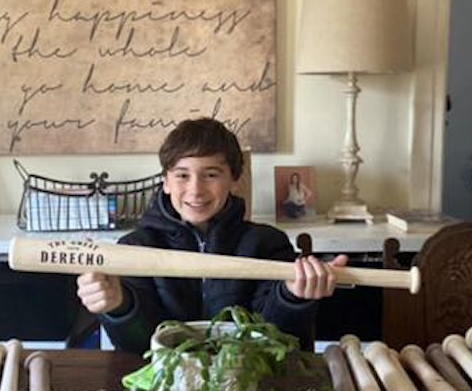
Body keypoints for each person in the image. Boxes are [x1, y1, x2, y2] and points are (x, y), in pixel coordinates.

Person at [76, 118, 347, 352]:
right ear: (166, 182)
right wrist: (118, 307)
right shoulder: (135, 249)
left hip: (245, 383)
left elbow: (278, 338)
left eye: (211, 174)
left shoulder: (267, 244)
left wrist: (293, 297)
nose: (196, 190)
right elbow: (137, 346)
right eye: (182, 175)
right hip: (164, 389)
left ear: (235, 179)